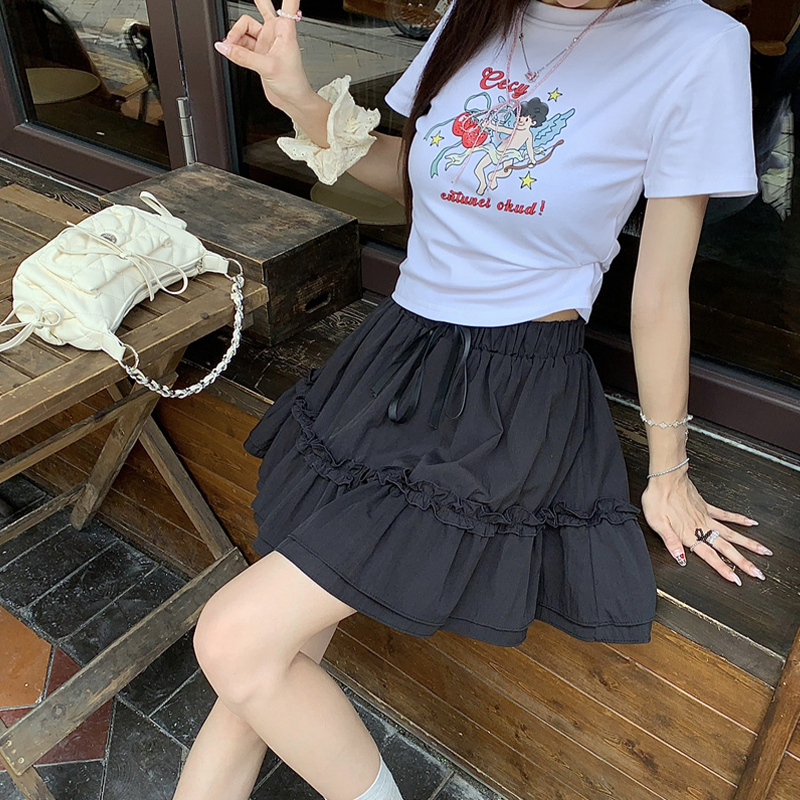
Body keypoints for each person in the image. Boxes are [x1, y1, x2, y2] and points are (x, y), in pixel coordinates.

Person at [172, 1, 773, 799]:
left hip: (510, 397)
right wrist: (297, 98)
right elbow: (421, 174)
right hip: (395, 359)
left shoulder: (697, 43)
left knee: (234, 641)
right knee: (264, 664)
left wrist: (669, 469)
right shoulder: (481, 11)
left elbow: (661, 291)